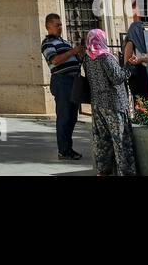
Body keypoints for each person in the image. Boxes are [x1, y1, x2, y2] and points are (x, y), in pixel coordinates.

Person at [82, 28, 136, 176]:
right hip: (114, 104)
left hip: (98, 105)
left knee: (102, 141)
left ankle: (103, 171)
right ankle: (125, 172)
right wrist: (129, 65)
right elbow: (117, 77)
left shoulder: (87, 58)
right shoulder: (105, 57)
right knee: (121, 142)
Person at [40, 13, 85, 160]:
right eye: (57, 25)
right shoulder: (47, 44)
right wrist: (72, 51)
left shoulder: (64, 42)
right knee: (64, 116)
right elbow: (54, 60)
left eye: (60, 24)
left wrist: (80, 53)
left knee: (72, 116)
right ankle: (64, 150)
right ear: (48, 26)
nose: (60, 27)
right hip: (62, 82)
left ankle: (68, 148)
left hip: (73, 81)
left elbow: (73, 58)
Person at [122, 6, 148, 102]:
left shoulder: (142, 44)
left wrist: (141, 59)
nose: (142, 31)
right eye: (141, 29)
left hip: (144, 73)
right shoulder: (130, 43)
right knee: (140, 100)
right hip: (136, 76)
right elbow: (127, 62)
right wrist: (136, 60)